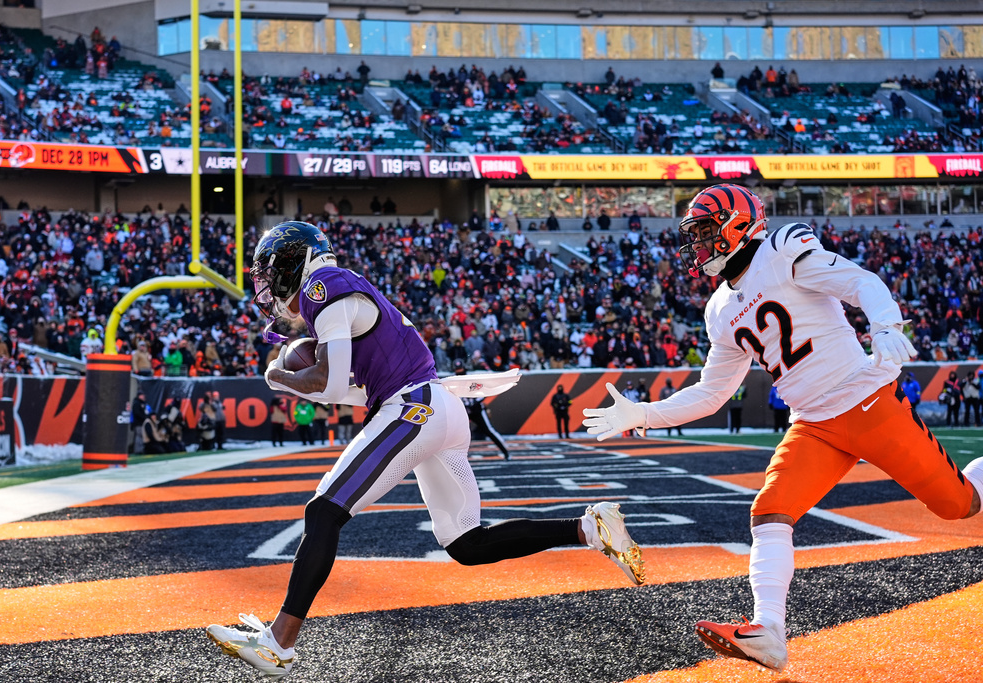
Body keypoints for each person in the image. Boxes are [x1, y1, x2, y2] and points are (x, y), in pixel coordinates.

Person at [207, 221, 644, 677]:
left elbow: (330, 382)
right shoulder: (345, 294)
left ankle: (279, 642)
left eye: (271, 270)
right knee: (467, 543)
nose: (269, 283)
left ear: (297, 261)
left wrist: (278, 376)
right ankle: (590, 528)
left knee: (324, 512)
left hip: (416, 406)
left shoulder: (323, 286)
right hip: (437, 406)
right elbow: (350, 391)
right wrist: (305, 378)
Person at [582, 183, 983, 674]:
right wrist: (643, 414)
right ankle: (769, 630)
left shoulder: (781, 249)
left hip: (867, 401)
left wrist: (885, 326)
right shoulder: (719, 309)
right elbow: (712, 394)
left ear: (738, 224)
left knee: (957, 505)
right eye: (696, 233)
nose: (699, 244)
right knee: (769, 511)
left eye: (707, 230)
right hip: (812, 425)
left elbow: (861, 282)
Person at [454, 360, 510, 460]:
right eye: (457, 370)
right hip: (464, 411)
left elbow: (483, 391)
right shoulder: (453, 381)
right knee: (455, 433)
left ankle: (505, 451)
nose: (459, 371)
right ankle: (453, 456)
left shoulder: (472, 378)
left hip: (476, 410)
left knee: (488, 430)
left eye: (460, 369)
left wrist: (475, 402)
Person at [131, 390, 150, 454]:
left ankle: (140, 449)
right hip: (138, 423)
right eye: (142, 395)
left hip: (141, 423)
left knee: (141, 436)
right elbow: (137, 413)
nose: (143, 397)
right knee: (139, 436)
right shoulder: (136, 403)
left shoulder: (143, 403)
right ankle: (138, 450)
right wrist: (144, 418)